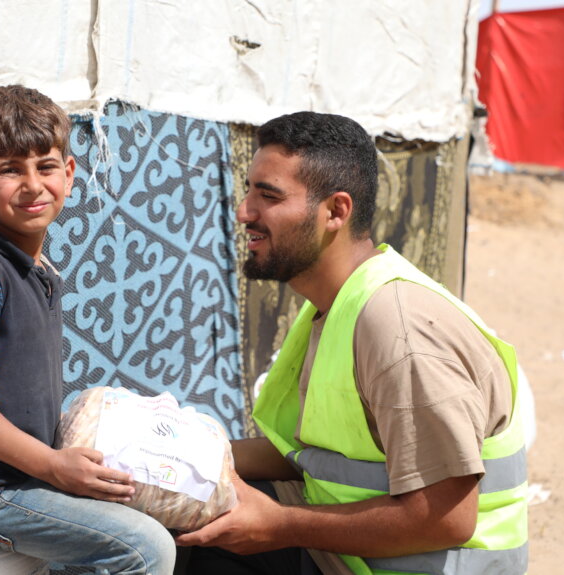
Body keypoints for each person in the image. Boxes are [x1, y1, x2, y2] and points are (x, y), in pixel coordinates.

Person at [177, 112, 528, 575]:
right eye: (249, 190)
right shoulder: (338, 304)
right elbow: (317, 457)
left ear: (336, 212)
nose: (245, 211)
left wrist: (280, 526)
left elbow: (446, 518)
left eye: (269, 196)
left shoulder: (398, 331)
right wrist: (175, 454)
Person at [0, 85, 175, 575]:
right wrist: (52, 467)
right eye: (9, 169)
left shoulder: (37, 269)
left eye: (46, 166)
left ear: (69, 174)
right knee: (144, 549)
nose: (33, 184)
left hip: (21, 478)